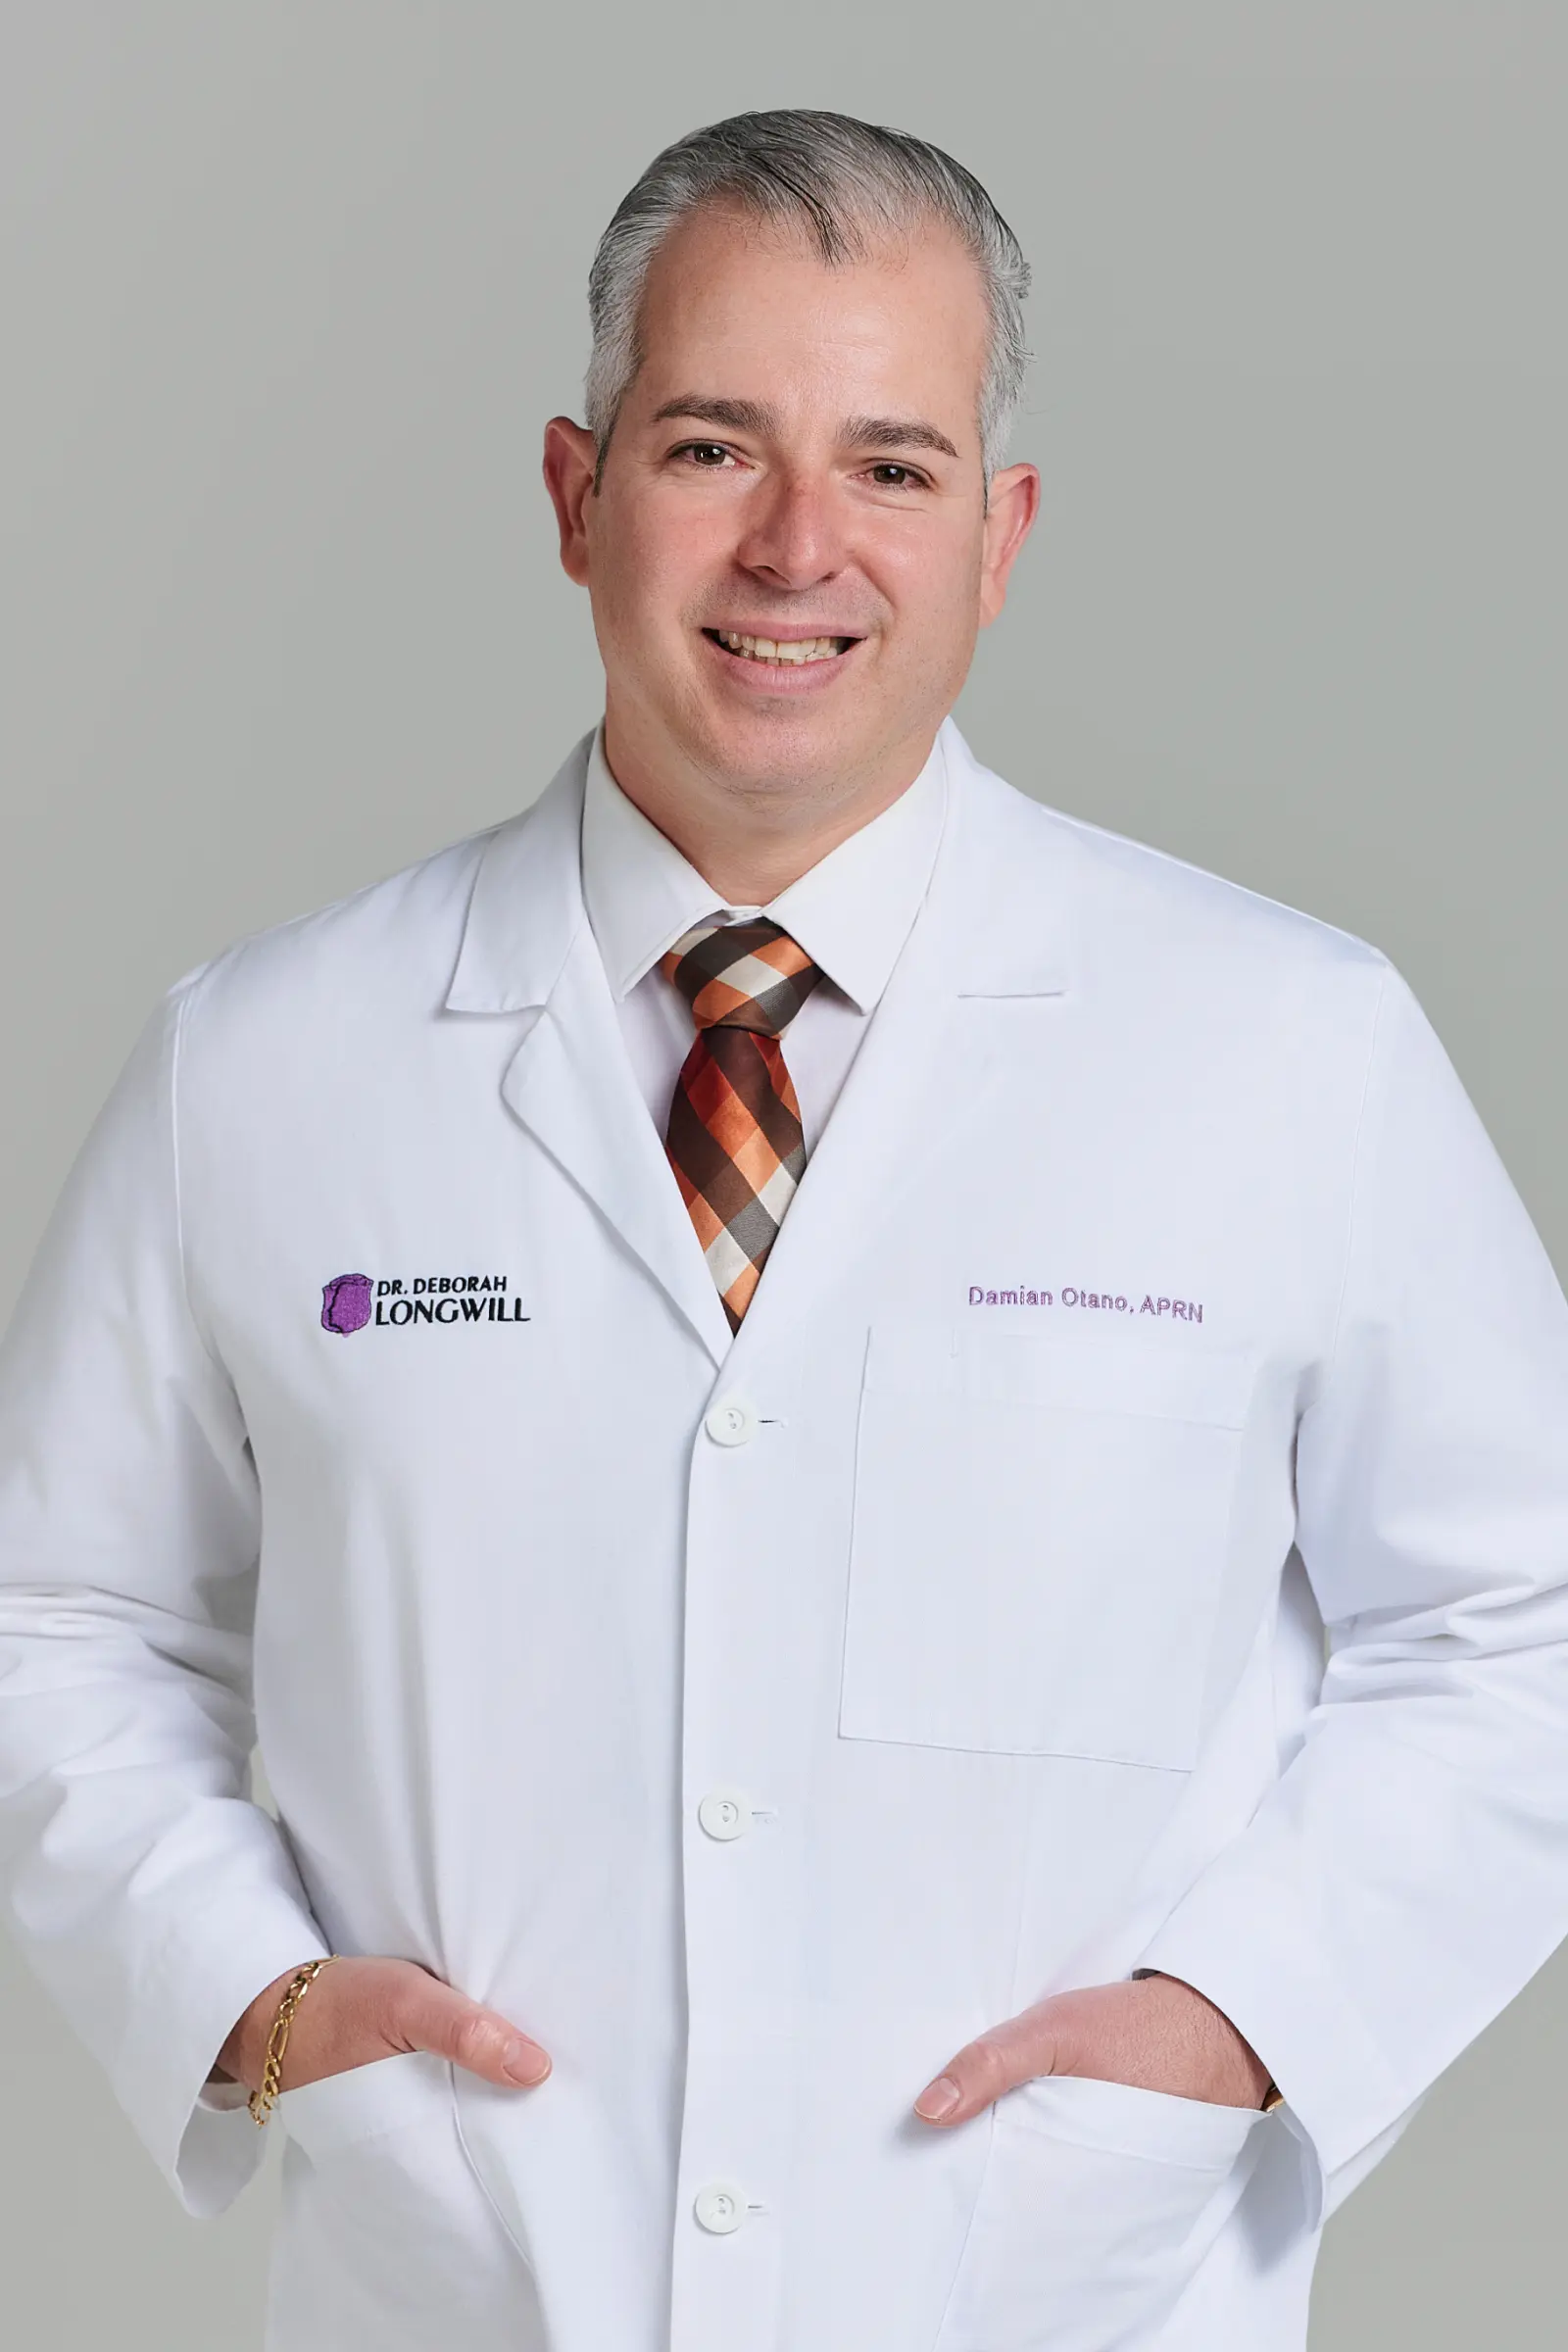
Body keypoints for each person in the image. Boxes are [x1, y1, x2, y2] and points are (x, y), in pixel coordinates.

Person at [2, 106, 1566, 2352]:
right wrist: (250, 2007)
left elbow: (1518, 1618)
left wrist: (1248, 2020)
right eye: (711, 448)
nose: (796, 547)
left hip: (1060, 2293)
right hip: (461, 2287)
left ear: (997, 537)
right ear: (575, 496)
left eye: (890, 466)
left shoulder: (1283, 1049)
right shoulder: (258, 1064)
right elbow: (58, 1611)